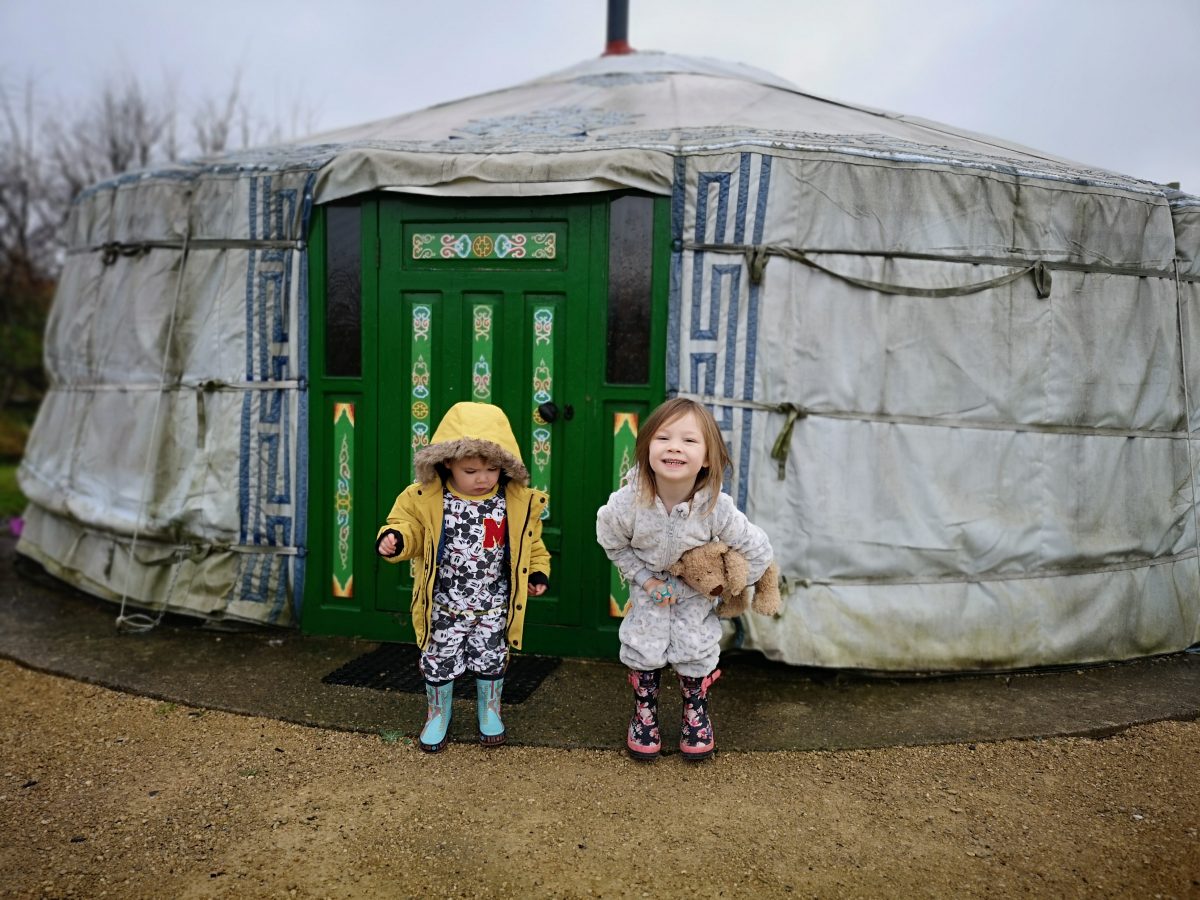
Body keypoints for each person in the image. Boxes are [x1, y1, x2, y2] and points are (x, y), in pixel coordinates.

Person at [596, 397, 774, 762]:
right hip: (650, 593)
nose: (675, 446)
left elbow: (759, 551)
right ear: (647, 449)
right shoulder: (626, 504)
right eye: (663, 438)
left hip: (694, 598)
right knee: (642, 649)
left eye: (689, 441)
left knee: (696, 650)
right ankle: (644, 713)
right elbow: (613, 544)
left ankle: (696, 711)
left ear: (707, 457)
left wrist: (727, 581)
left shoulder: (717, 509)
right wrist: (645, 579)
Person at [376, 402, 549, 753]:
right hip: (444, 603)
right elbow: (407, 527)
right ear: (446, 463)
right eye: (471, 470)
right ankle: (437, 714)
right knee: (439, 658)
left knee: (491, 656)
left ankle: (489, 711)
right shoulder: (425, 498)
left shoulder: (514, 501)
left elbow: (531, 544)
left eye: (492, 468)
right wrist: (396, 540)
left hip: (493, 603)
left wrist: (538, 570)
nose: (483, 478)